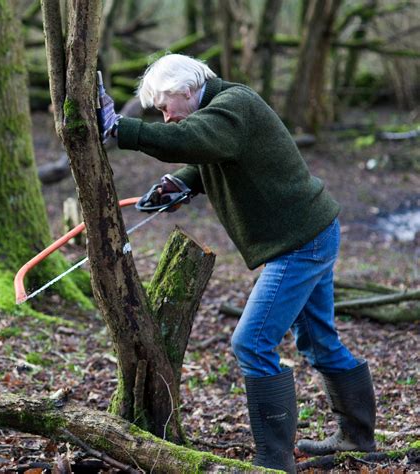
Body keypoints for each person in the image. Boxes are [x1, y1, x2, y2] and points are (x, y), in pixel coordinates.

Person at [100, 54, 376, 473]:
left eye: (164, 107)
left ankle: (273, 460)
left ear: (186, 91)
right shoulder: (222, 110)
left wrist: (122, 128)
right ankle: (357, 437)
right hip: (312, 231)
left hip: (301, 243)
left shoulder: (234, 105)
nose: (166, 118)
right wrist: (183, 182)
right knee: (318, 340)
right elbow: (213, 151)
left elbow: (196, 139)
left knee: (251, 343)